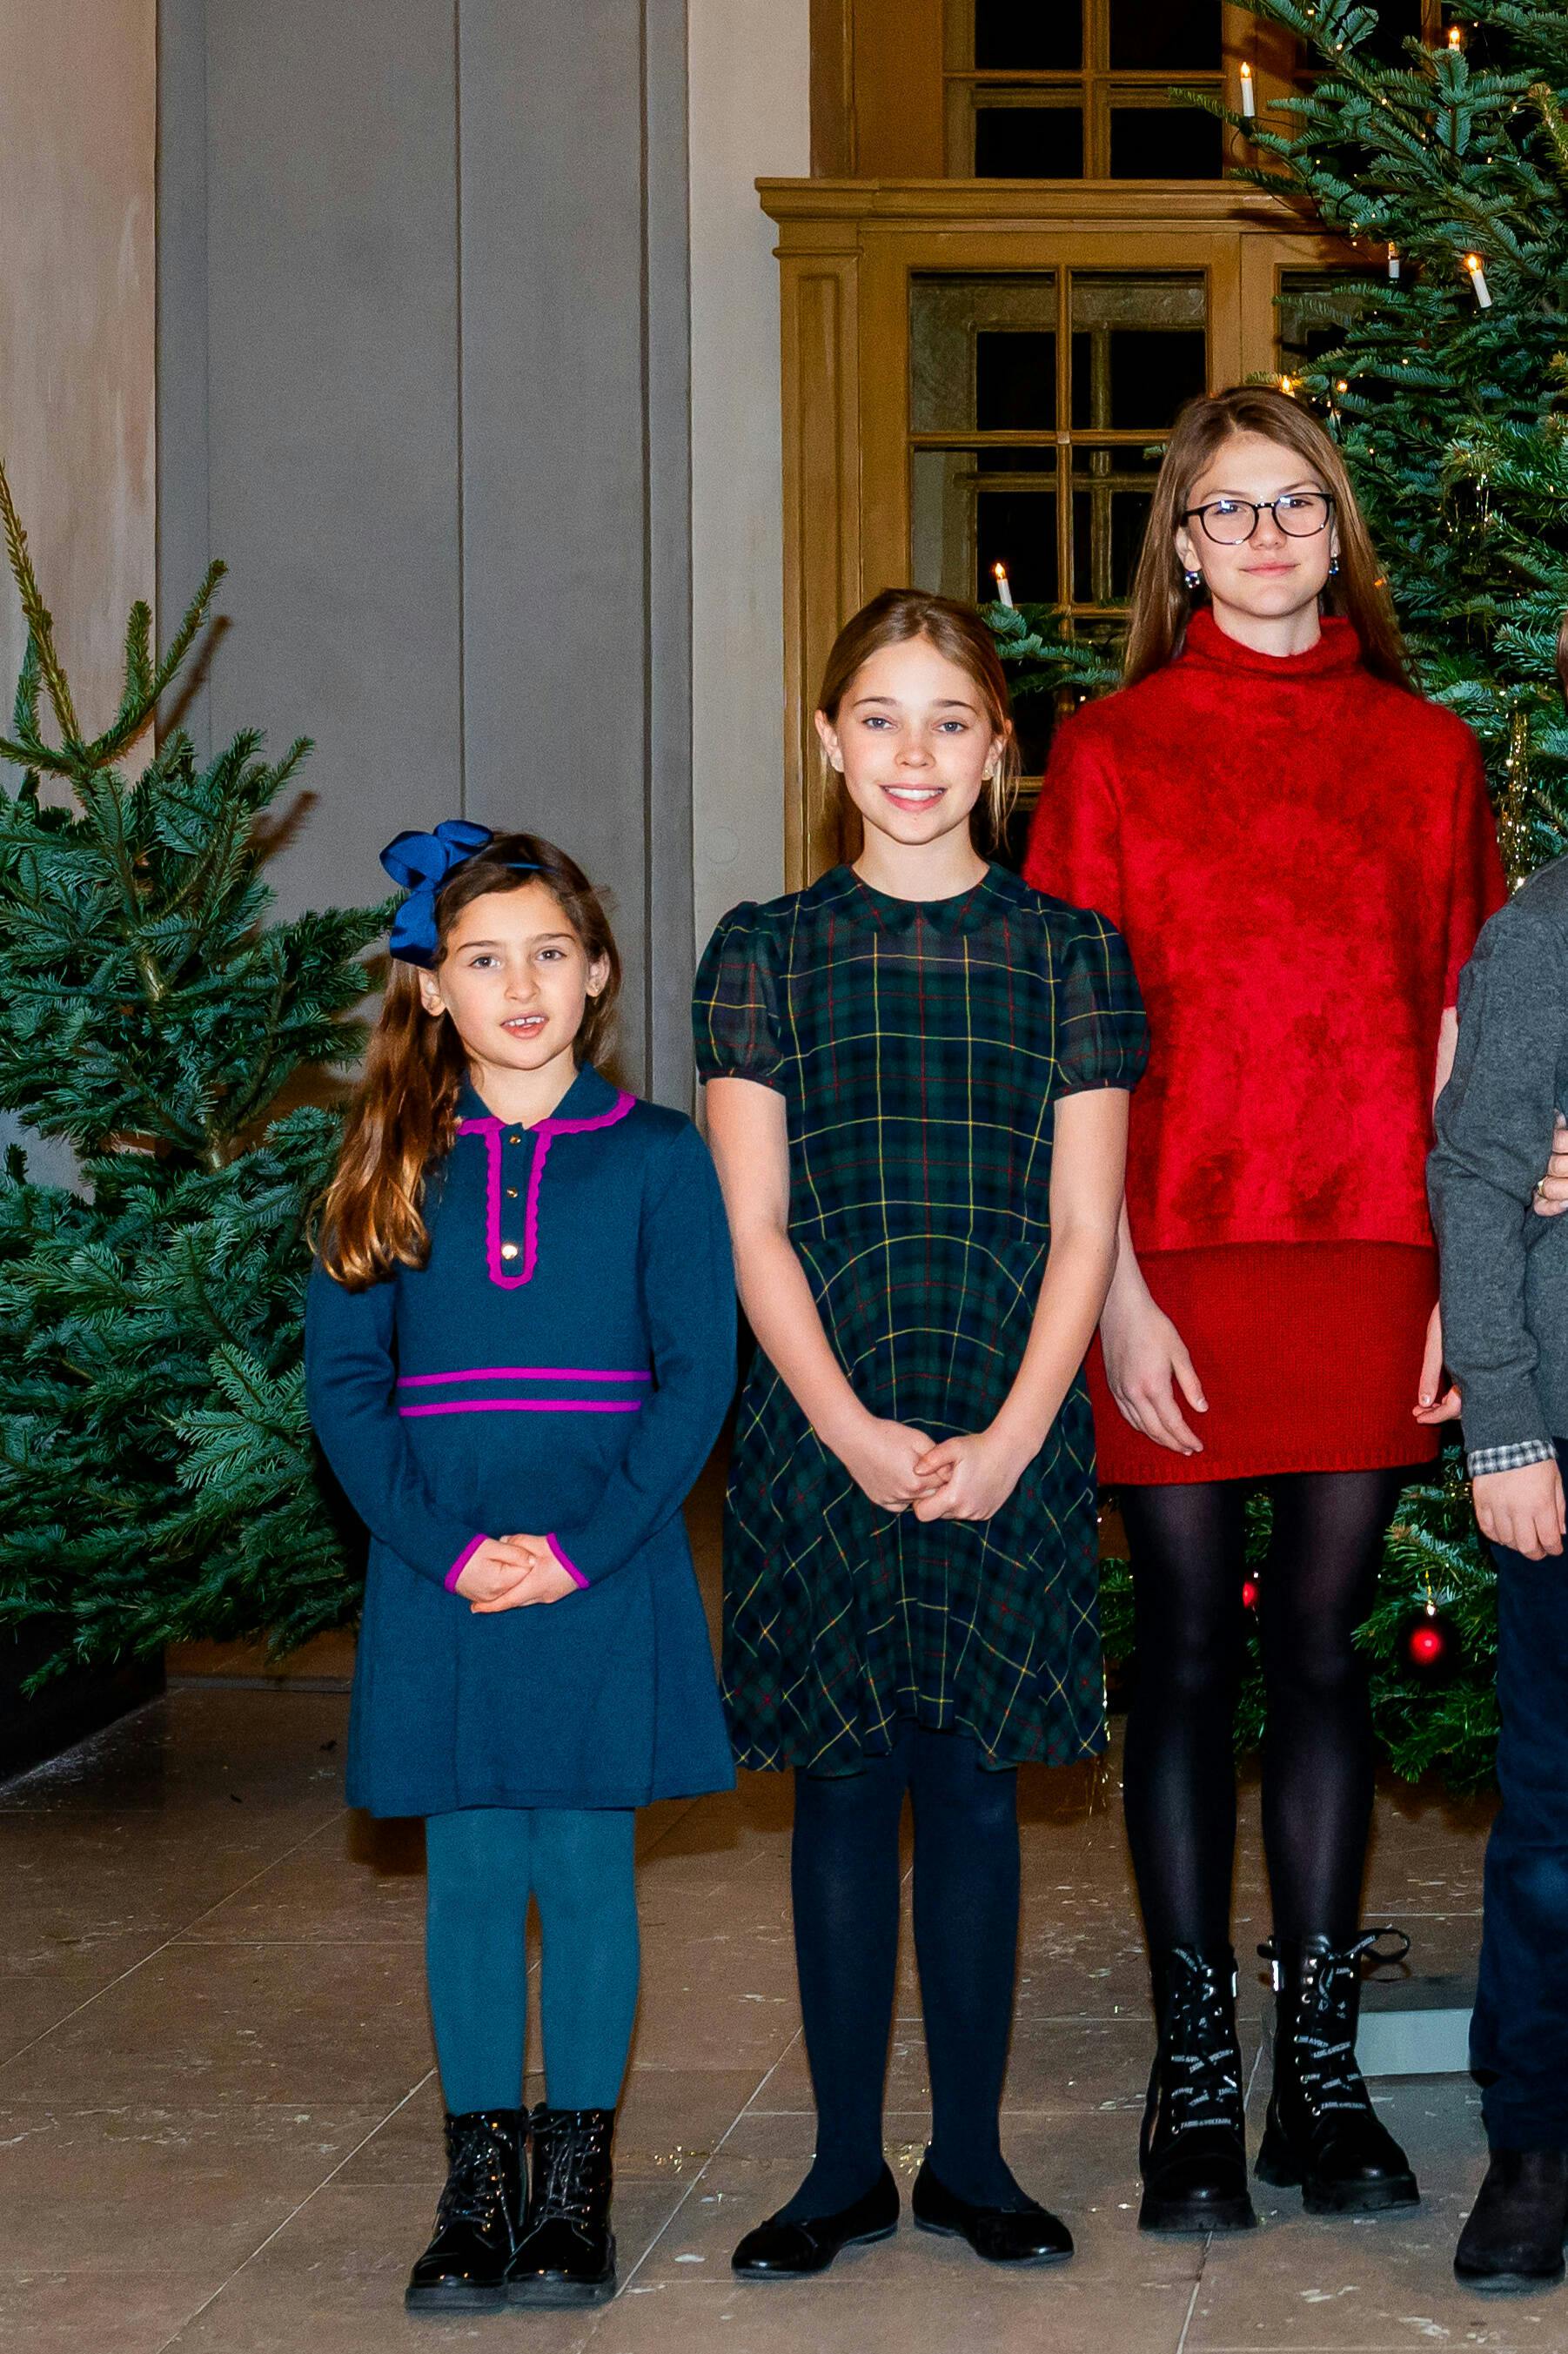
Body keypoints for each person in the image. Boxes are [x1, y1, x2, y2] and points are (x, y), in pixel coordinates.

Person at [1023, 386, 1504, 2234]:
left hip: (1368, 1257)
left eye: (1296, 505)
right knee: (1183, 1656)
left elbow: (1461, 1038)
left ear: (1337, 529)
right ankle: (1192, 2085)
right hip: (1170, 1257)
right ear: (1181, 544)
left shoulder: (1423, 752)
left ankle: (1319, 2077)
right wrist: (1113, 1298)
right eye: (1229, 512)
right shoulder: (1116, 753)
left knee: (1315, 1653)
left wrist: (1462, 1279)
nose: (1269, 538)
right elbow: (1076, 1055)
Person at [694, 589, 1147, 2277]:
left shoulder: (1069, 955)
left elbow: (1086, 1228)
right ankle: (834, 2171)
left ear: (1000, 751)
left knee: (968, 1785)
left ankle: (965, 2159)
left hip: (1007, 1416)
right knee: (841, 1787)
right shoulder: (764, 952)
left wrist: (1022, 1432)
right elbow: (753, 1231)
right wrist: (846, 1429)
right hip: (827, 1425)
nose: (912, 753)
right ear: (827, 741)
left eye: (949, 719)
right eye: (878, 716)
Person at [306, 822, 735, 2313]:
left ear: (599, 971)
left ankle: (574, 2186)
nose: (522, 983)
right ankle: (476, 2179)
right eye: (483, 958)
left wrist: (579, 1548)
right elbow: (346, 1391)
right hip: (443, 1577)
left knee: (585, 1864)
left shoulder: (661, 1160)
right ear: (431, 987)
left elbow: (694, 1378)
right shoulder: (385, 1163)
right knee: (474, 1873)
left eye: (550, 952)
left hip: (599, 1569)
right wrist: (444, 1550)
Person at [1430, 614, 1568, 2294]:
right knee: (1551, 1823)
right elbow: (1477, 1179)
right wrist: (1508, 1422)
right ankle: (1533, 2135)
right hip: (1564, 1446)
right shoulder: (1541, 935)